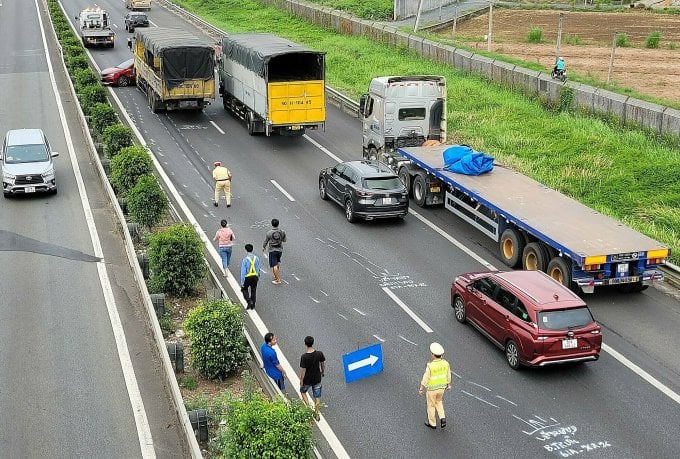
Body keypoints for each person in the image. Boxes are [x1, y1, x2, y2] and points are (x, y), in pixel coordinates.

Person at [419, 342, 451, 430]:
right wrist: (448, 384)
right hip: (442, 388)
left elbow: (426, 378)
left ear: (433, 355)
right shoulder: (446, 363)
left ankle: (432, 423)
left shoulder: (430, 366)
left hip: (432, 389)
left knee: (431, 405)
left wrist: (421, 388)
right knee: (439, 402)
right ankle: (442, 417)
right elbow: (448, 375)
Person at [299, 335, 326, 421]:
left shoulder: (304, 357)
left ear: (305, 344)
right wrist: (322, 372)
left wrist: (301, 380)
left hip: (307, 379)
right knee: (317, 397)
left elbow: (303, 370)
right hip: (317, 378)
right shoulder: (319, 353)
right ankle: (316, 413)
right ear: (313, 343)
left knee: (303, 391)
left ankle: (308, 406)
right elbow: (322, 364)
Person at [262, 218, 286, 285]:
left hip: (272, 250)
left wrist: (263, 247)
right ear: (278, 224)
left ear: (272, 224)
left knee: (274, 265)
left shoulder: (269, 233)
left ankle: (278, 280)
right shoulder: (282, 232)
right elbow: (284, 240)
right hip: (280, 249)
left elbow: (266, 241)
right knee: (277, 262)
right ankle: (276, 275)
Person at [240, 244, 261, 310]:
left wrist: (242, 282)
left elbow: (243, 272)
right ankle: (253, 304)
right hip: (255, 276)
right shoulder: (256, 258)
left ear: (246, 250)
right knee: (253, 290)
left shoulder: (245, 260)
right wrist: (258, 276)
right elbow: (258, 268)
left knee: (244, 289)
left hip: (247, 277)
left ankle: (249, 301)